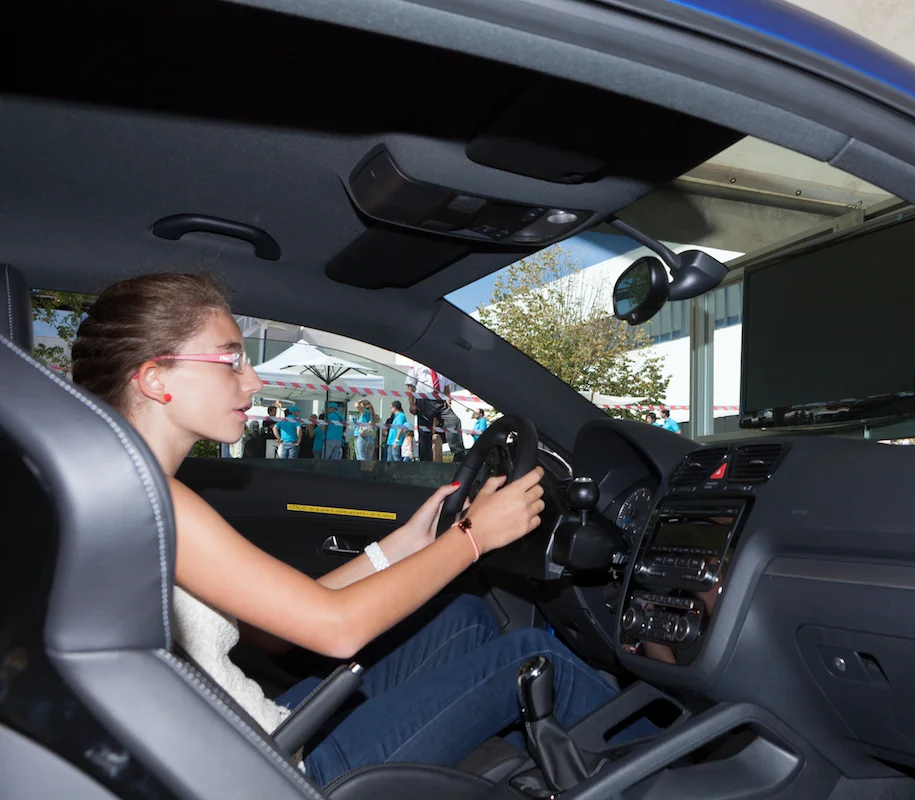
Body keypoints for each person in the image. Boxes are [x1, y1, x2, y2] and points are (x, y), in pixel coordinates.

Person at [69, 272, 634, 787]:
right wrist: (473, 539)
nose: (254, 379)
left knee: (463, 619)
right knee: (536, 657)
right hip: (276, 770)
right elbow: (335, 630)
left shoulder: (128, 488)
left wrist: (406, 544)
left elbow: (278, 631)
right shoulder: (157, 502)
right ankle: (668, 777)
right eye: (231, 360)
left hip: (258, 733)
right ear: (155, 379)